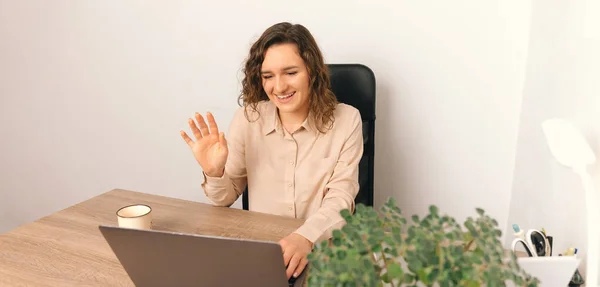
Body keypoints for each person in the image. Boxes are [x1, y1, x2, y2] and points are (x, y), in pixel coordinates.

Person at [180, 22, 363, 280]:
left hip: (322, 252)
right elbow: (224, 198)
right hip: (261, 254)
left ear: (312, 71)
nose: (278, 87)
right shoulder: (248, 118)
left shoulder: (347, 120)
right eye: (268, 76)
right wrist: (215, 171)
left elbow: (341, 199)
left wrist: (306, 237)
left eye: (290, 73)